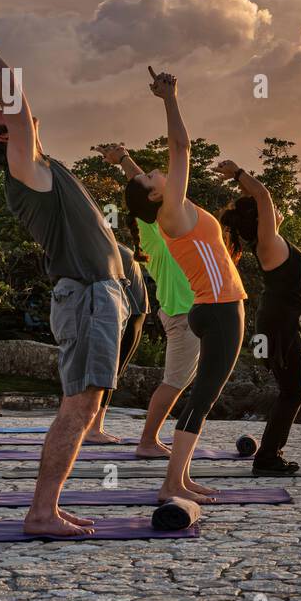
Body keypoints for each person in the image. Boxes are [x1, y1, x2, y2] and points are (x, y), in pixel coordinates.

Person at [0, 22, 124, 537]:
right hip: (87, 296)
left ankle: (48, 507)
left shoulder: (43, 167)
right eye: (10, 117)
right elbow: (14, 97)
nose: (22, 114)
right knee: (78, 406)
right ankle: (41, 513)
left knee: (83, 405)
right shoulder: (23, 168)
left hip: (97, 293)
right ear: (4, 135)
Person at [123, 68, 246, 503]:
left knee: (201, 395)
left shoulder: (172, 208)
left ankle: (181, 476)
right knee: (203, 396)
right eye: (150, 178)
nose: (157, 172)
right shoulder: (170, 212)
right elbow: (181, 146)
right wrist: (170, 98)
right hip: (218, 309)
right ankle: (172, 483)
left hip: (213, 307)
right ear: (156, 196)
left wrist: (126, 163)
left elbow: (159, 170)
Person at [99, 143, 200, 459]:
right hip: (184, 313)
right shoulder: (157, 228)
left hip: (185, 311)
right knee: (174, 382)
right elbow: (145, 187)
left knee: (181, 381)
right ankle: (148, 441)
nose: (163, 179)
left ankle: (155, 438)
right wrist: (126, 163)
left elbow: (144, 187)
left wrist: (124, 160)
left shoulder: (155, 224)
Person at [215, 159, 301, 475]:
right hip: (277, 326)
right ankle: (268, 457)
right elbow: (264, 196)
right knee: (294, 390)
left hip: (276, 324)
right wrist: (237, 174)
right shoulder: (268, 242)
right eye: (268, 213)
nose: (274, 211)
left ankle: (270, 454)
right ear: (261, 221)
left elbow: (265, 205)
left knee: (292, 389)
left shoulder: (272, 242)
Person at [81, 240, 150, 446]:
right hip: (127, 313)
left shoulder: (109, 245)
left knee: (113, 373)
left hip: (136, 311)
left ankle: (93, 427)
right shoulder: (102, 248)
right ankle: (93, 429)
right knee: (110, 373)